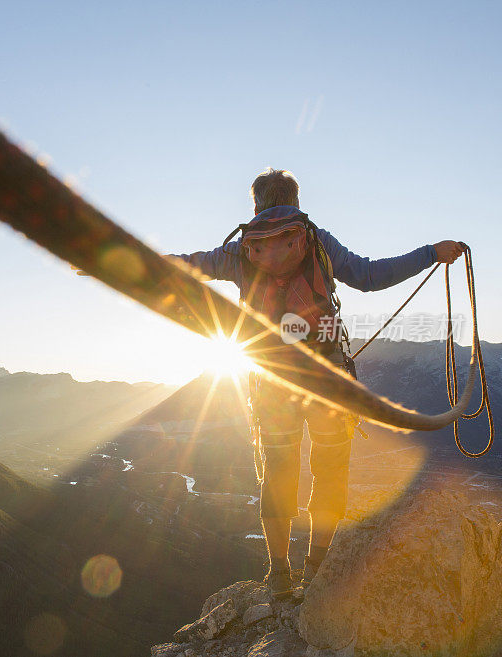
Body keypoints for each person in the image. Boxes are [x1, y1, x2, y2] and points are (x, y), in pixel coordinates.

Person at [170, 168, 464, 598]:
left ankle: (279, 575)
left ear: (255, 204)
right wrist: (429, 253)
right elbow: (369, 276)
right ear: (295, 198)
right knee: (329, 469)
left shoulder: (241, 249)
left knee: (278, 471)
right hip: (326, 376)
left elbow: (189, 266)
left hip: (271, 379)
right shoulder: (314, 239)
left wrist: (110, 257)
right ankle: (317, 567)